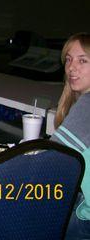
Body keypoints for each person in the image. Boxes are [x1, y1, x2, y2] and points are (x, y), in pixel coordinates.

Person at [51, 33, 90, 240]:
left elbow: (53, 159)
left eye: (83, 60)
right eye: (68, 59)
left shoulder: (88, 104)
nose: (71, 67)